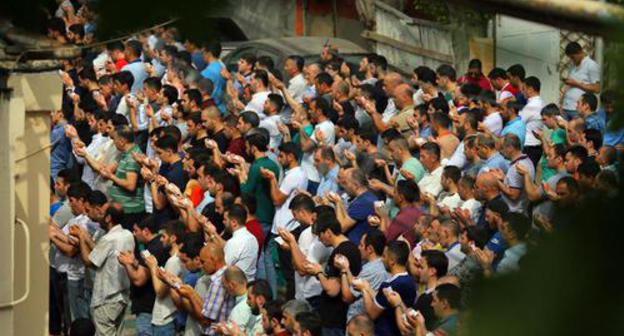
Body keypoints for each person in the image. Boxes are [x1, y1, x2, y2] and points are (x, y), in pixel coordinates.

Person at [73, 204, 135, 336]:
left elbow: (89, 261)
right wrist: (87, 238)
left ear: (108, 218)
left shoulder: (108, 239)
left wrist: (81, 239)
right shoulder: (128, 234)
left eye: (102, 214)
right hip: (122, 297)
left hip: (107, 299)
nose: (99, 216)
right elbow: (102, 253)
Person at [302, 213, 362, 336]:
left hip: (334, 318)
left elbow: (333, 290)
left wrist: (318, 272)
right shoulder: (351, 247)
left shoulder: (340, 253)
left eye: (320, 234)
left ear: (328, 232)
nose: (319, 239)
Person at [354, 240, 416, 336]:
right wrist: (368, 288)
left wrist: (363, 290)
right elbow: (383, 301)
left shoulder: (390, 285)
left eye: (384, 256)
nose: (381, 259)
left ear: (392, 261)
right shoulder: (411, 282)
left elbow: (371, 314)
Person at [335, 228, 389, 321]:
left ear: (370, 249)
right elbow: (355, 283)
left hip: (359, 322)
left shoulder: (371, 270)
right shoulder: (378, 265)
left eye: (361, 245)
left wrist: (343, 271)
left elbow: (347, 297)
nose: (359, 247)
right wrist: (347, 269)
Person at [100, 125, 145, 230]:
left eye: (114, 139)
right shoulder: (126, 154)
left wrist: (111, 176)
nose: (113, 142)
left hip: (131, 210)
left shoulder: (132, 157)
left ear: (122, 141)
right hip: (125, 207)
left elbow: (130, 185)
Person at [328, 167, 377, 244]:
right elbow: (348, 216)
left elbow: (341, 227)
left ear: (356, 185)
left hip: (355, 247)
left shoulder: (364, 202)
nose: (344, 187)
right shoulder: (366, 197)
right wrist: (339, 203)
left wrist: (337, 203)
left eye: (346, 183)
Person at [561, 42, 601, 121]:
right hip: (566, 107)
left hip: (578, 110)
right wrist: (561, 102)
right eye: (570, 58)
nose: (572, 60)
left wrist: (577, 84)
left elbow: (597, 89)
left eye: (573, 57)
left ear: (580, 52)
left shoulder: (591, 65)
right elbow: (569, 86)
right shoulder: (572, 66)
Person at [519, 76, 544, 167]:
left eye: (524, 89)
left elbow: (519, 121)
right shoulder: (539, 102)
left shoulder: (533, 105)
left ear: (530, 89)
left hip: (530, 146)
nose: (522, 92)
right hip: (535, 145)